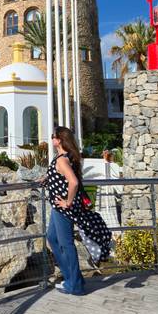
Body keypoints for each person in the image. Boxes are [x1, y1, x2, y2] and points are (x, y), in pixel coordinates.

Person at [43, 126, 112, 295]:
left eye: (53, 136)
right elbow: (62, 176)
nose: (51, 138)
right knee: (52, 238)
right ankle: (73, 278)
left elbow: (73, 182)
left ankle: (75, 285)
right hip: (57, 206)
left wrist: (68, 202)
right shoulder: (65, 157)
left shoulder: (62, 160)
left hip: (63, 209)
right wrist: (47, 178)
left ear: (59, 140)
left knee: (66, 244)